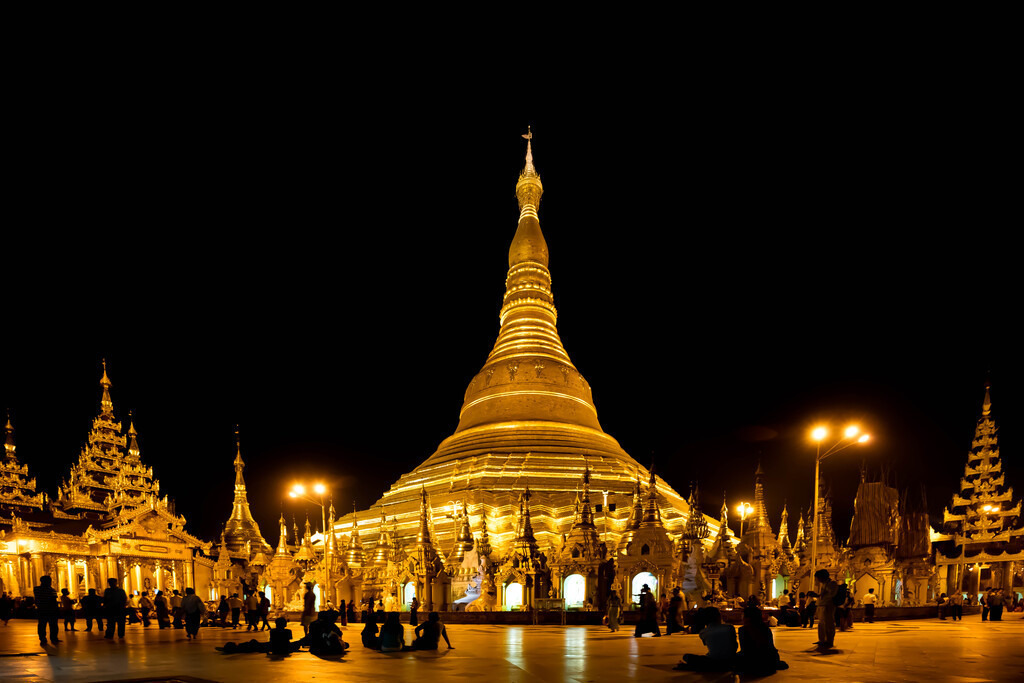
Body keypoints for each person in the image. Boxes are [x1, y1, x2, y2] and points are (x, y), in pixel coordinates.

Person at [674, 607, 737, 671]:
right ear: (719, 616)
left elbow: (711, 645)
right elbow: (735, 646)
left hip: (712, 661)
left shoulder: (703, 632)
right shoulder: (730, 627)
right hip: (730, 661)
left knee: (686, 656)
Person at [736, 606, 788, 674]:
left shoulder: (743, 630)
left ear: (748, 618)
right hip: (768, 662)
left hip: (752, 662)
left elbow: (745, 650)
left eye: (743, 616)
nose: (742, 618)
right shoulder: (765, 628)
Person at [814, 569, 838, 649]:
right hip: (822, 605)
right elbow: (823, 594)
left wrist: (825, 588)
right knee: (821, 624)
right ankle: (822, 640)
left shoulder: (832, 583)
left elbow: (832, 594)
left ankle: (829, 641)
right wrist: (817, 595)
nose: (817, 580)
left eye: (818, 578)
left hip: (828, 605)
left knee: (828, 624)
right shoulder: (823, 584)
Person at [34, 575, 60, 646]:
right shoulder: (51, 590)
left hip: (42, 609)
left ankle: (43, 638)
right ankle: (53, 638)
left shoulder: (37, 589)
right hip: (50, 609)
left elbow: (37, 599)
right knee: (52, 625)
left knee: (42, 625)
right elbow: (53, 600)